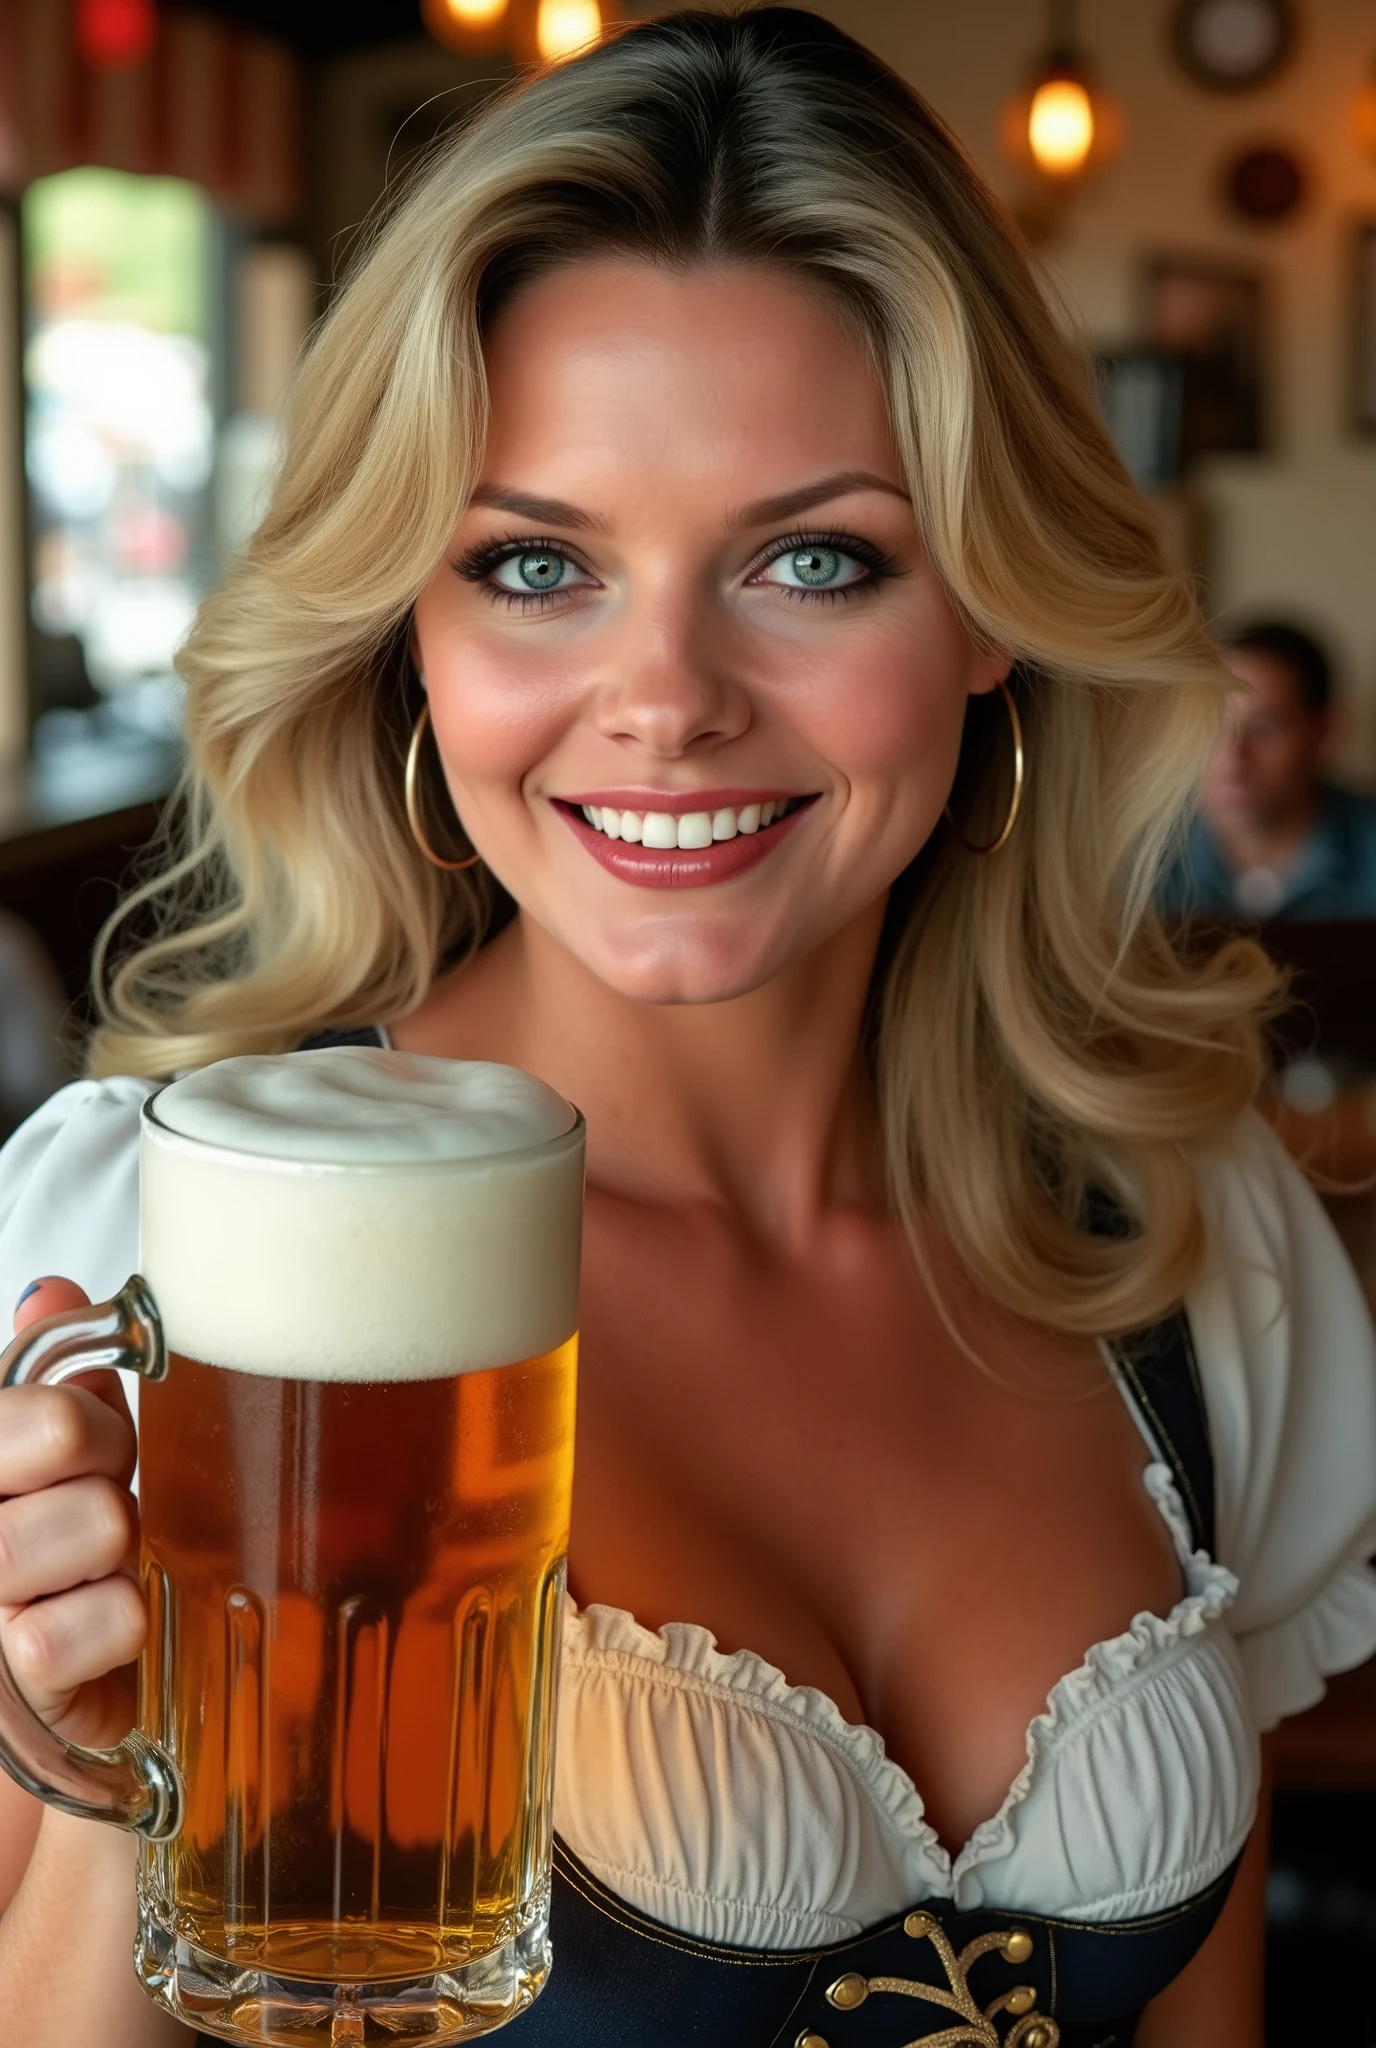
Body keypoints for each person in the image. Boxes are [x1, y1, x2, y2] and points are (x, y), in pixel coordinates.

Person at [0, 12, 1373, 2045]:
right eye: (537, 564)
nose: (665, 696)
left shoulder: (1182, 1237)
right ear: (411, 632)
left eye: (814, 558)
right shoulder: (159, 1240)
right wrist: (125, 1769)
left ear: (987, 606)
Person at [1160, 620, 1376, 922]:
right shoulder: (1141, 859)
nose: (1231, 759)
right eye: (1211, 728)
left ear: (1326, 733)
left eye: (1264, 729)